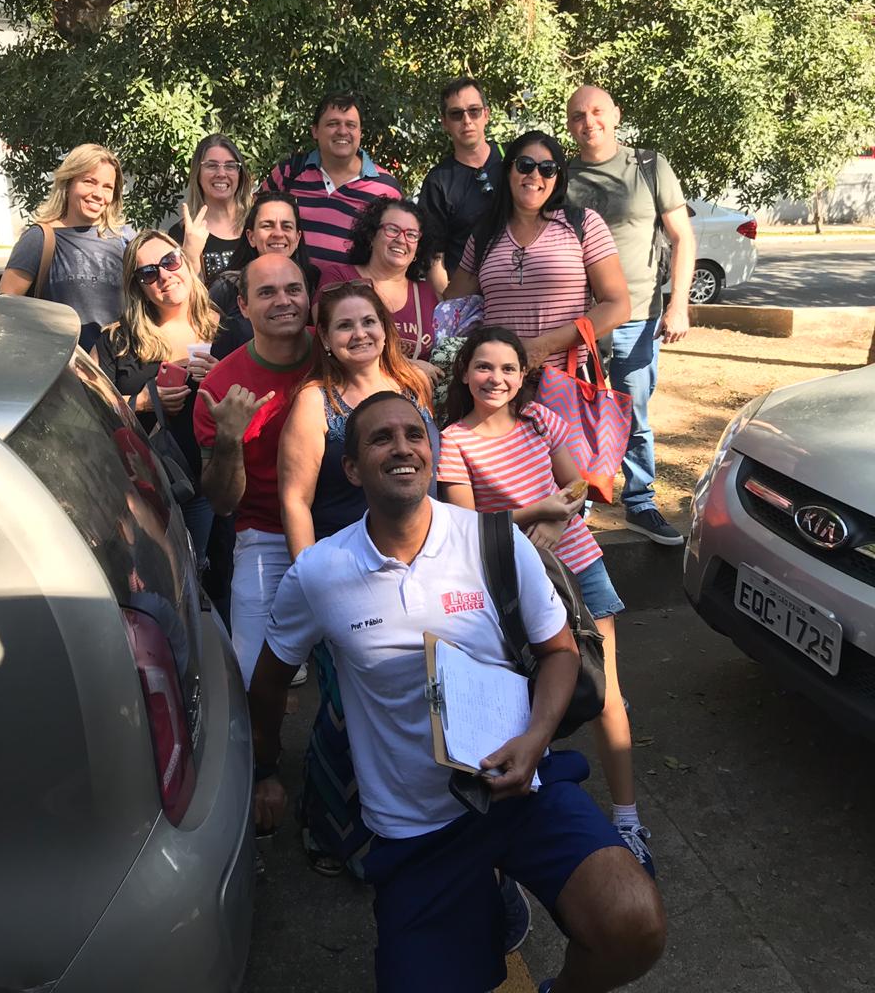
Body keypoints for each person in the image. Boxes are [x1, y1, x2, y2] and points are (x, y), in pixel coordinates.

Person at [251, 392, 667, 993]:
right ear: (351, 469)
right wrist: (266, 770)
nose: (402, 447)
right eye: (381, 438)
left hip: (521, 790)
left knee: (633, 926)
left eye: (414, 435)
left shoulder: (492, 539)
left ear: (431, 452)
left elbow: (560, 654)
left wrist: (535, 738)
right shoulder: (319, 572)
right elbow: (268, 683)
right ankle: (485, 895)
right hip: (415, 827)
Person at [438, 327, 653, 874]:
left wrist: (559, 520)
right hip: (515, 581)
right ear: (465, 373)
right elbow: (467, 524)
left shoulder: (540, 418)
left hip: (581, 563)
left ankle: (628, 819)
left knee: (605, 691)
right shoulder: (454, 440)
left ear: (522, 377)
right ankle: (537, 808)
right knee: (532, 695)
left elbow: (577, 484)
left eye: (508, 369)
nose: (496, 379)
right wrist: (540, 513)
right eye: (484, 367)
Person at [277, 281, 436, 876]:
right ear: (324, 337)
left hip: (418, 564)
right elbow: (295, 500)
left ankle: (412, 817)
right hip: (347, 571)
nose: (359, 334)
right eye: (344, 325)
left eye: (368, 321)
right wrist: (312, 585)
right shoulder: (314, 402)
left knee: (416, 695)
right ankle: (328, 827)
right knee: (345, 707)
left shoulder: (414, 385)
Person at [563, 85, 695, 547]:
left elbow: (682, 236)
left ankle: (640, 502)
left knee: (633, 413)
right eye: (578, 115)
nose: (589, 121)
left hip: (639, 317)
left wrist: (678, 304)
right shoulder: (560, 176)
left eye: (597, 111)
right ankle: (579, 504)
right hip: (582, 322)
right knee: (579, 415)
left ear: (616, 114)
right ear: (569, 124)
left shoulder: (649, 166)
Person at [193, 254, 314, 687]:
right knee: (251, 676)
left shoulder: (337, 351)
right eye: (267, 292)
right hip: (266, 533)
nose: (284, 301)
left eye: (293, 289)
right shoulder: (220, 388)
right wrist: (230, 437)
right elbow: (223, 503)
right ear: (243, 306)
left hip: (346, 526)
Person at [445, 130, 631, 373]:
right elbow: (451, 305)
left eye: (547, 169)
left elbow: (618, 306)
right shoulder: (484, 235)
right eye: (525, 165)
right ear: (508, 170)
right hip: (497, 384)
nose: (535, 174)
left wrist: (543, 346)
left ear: (558, 177)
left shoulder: (583, 224)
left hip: (564, 382)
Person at [92, 229, 219, 564]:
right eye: (148, 273)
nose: (164, 275)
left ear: (185, 262)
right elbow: (89, 409)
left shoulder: (227, 330)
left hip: (213, 485)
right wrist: (143, 403)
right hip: (141, 491)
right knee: (158, 571)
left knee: (210, 571)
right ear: (138, 287)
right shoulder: (118, 340)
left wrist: (222, 377)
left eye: (169, 261)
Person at [0, 143, 134, 350]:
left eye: (107, 187)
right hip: (58, 364)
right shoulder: (39, 239)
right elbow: (4, 310)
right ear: (68, 183)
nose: (98, 194)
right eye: (89, 182)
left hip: (116, 364)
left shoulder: (124, 238)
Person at [260, 92, 401, 267]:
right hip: (286, 283)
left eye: (351, 125)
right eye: (333, 124)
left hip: (353, 285)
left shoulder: (386, 188)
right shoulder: (289, 172)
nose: (342, 131)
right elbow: (254, 224)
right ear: (315, 131)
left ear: (360, 133)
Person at [314, 197, 439, 377]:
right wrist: (407, 366)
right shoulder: (339, 277)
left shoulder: (426, 293)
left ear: (418, 248)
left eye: (411, 235)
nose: (401, 240)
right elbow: (328, 339)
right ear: (371, 236)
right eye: (392, 229)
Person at [417, 76, 505, 295]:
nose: (466, 120)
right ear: (444, 122)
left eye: (474, 111)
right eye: (456, 114)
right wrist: (450, 306)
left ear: (486, 114)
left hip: (520, 293)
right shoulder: (438, 181)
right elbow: (434, 257)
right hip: (469, 301)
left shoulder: (515, 160)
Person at [208, 190, 319, 361]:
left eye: (287, 226)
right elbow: (201, 343)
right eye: (267, 225)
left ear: (297, 238)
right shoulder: (226, 287)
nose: (278, 234)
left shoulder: (314, 282)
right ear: (251, 237)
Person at [168, 133, 253, 286]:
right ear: (198, 173)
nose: (221, 174)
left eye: (230, 166)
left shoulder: (258, 224)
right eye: (212, 165)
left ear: (240, 174)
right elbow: (182, 293)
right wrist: (191, 255)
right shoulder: (182, 233)